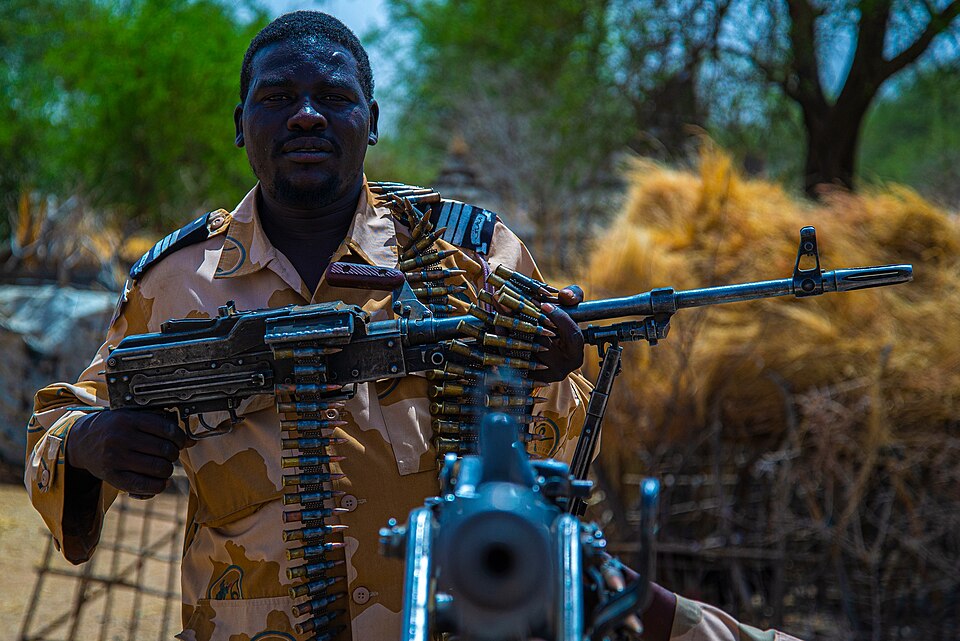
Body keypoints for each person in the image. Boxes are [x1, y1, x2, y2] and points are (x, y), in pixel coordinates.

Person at [25, 11, 800, 641]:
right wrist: (90, 446)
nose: (304, 115)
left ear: (372, 120)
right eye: (277, 96)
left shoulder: (471, 254)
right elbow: (60, 422)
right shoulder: (173, 282)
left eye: (333, 97)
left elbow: (549, 472)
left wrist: (553, 370)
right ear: (240, 122)